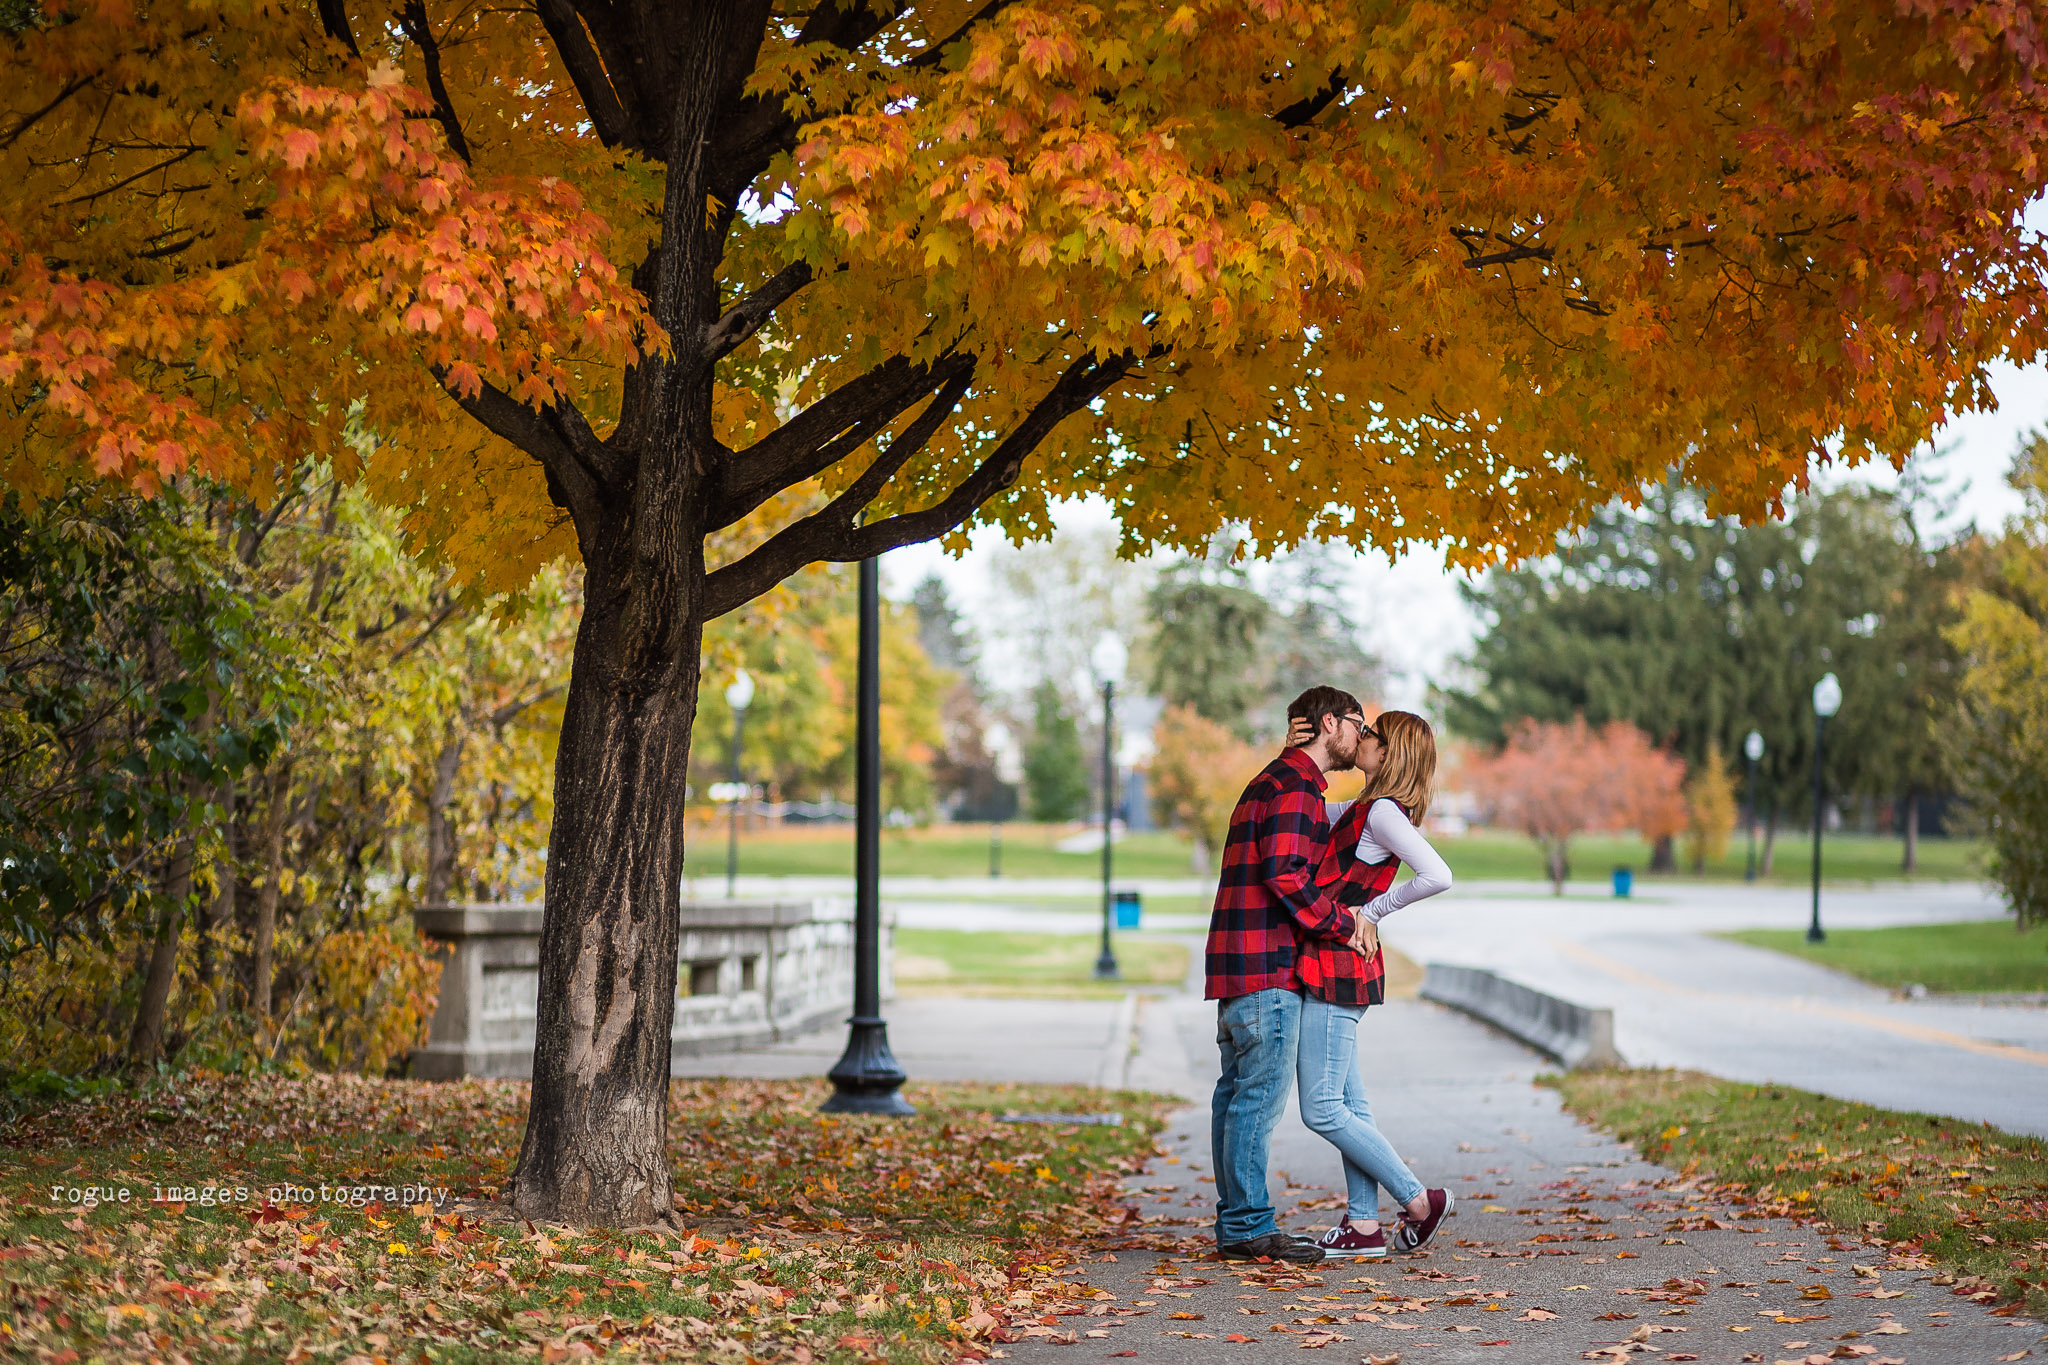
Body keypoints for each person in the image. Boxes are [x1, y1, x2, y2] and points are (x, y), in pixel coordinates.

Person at [1204, 685, 1368, 1264]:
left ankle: (1237, 1223)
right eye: (1357, 722)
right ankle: (1249, 1227)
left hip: (1236, 968)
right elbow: (1286, 874)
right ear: (1330, 724)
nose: (1360, 735)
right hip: (1269, 967)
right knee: (1258, 1101)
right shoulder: (1297, 788)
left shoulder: (1268, 781)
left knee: (1235, 1097)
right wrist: (1342, 924)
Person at [1287, 709, 1456, 1258]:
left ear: (1390, 753)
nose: (1363, 738)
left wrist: (1373, 912)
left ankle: (1419, 1201)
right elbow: (1305, 810)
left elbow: (1438, 875)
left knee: (1320, 1107)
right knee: (1350, 1106)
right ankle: (1362, 1225)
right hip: (1332, 963)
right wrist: (1296, 753)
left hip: (1339, 967)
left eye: (1373, 734)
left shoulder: (1383, 812)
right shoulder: (1366, 809)